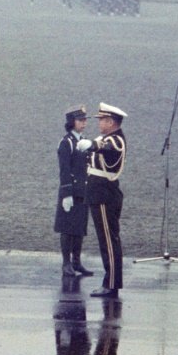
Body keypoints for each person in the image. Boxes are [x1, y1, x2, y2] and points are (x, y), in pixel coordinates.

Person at [85, 103, 127, 298]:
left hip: (104, 194)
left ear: (111, 122)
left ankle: (111, 284)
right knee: (107, 239)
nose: (99, 123)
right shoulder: (107, 137)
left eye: (102, 120)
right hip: (98, 193)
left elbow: (107, 148)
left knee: (108, 241)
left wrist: (92, 145)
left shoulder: (115, 140)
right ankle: (110, 282)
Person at [54, 105, 94, 277]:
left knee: (79, 228)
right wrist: (66, 193)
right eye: (80, 120)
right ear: (72, 122)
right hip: (71, 192)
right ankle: (66, 263)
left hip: (82, 191)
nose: (84, 123)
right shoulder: (67, 143)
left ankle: (77, 262)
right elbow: (64, 170)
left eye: (85, 120)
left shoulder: (82, 141)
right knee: (67, 229)